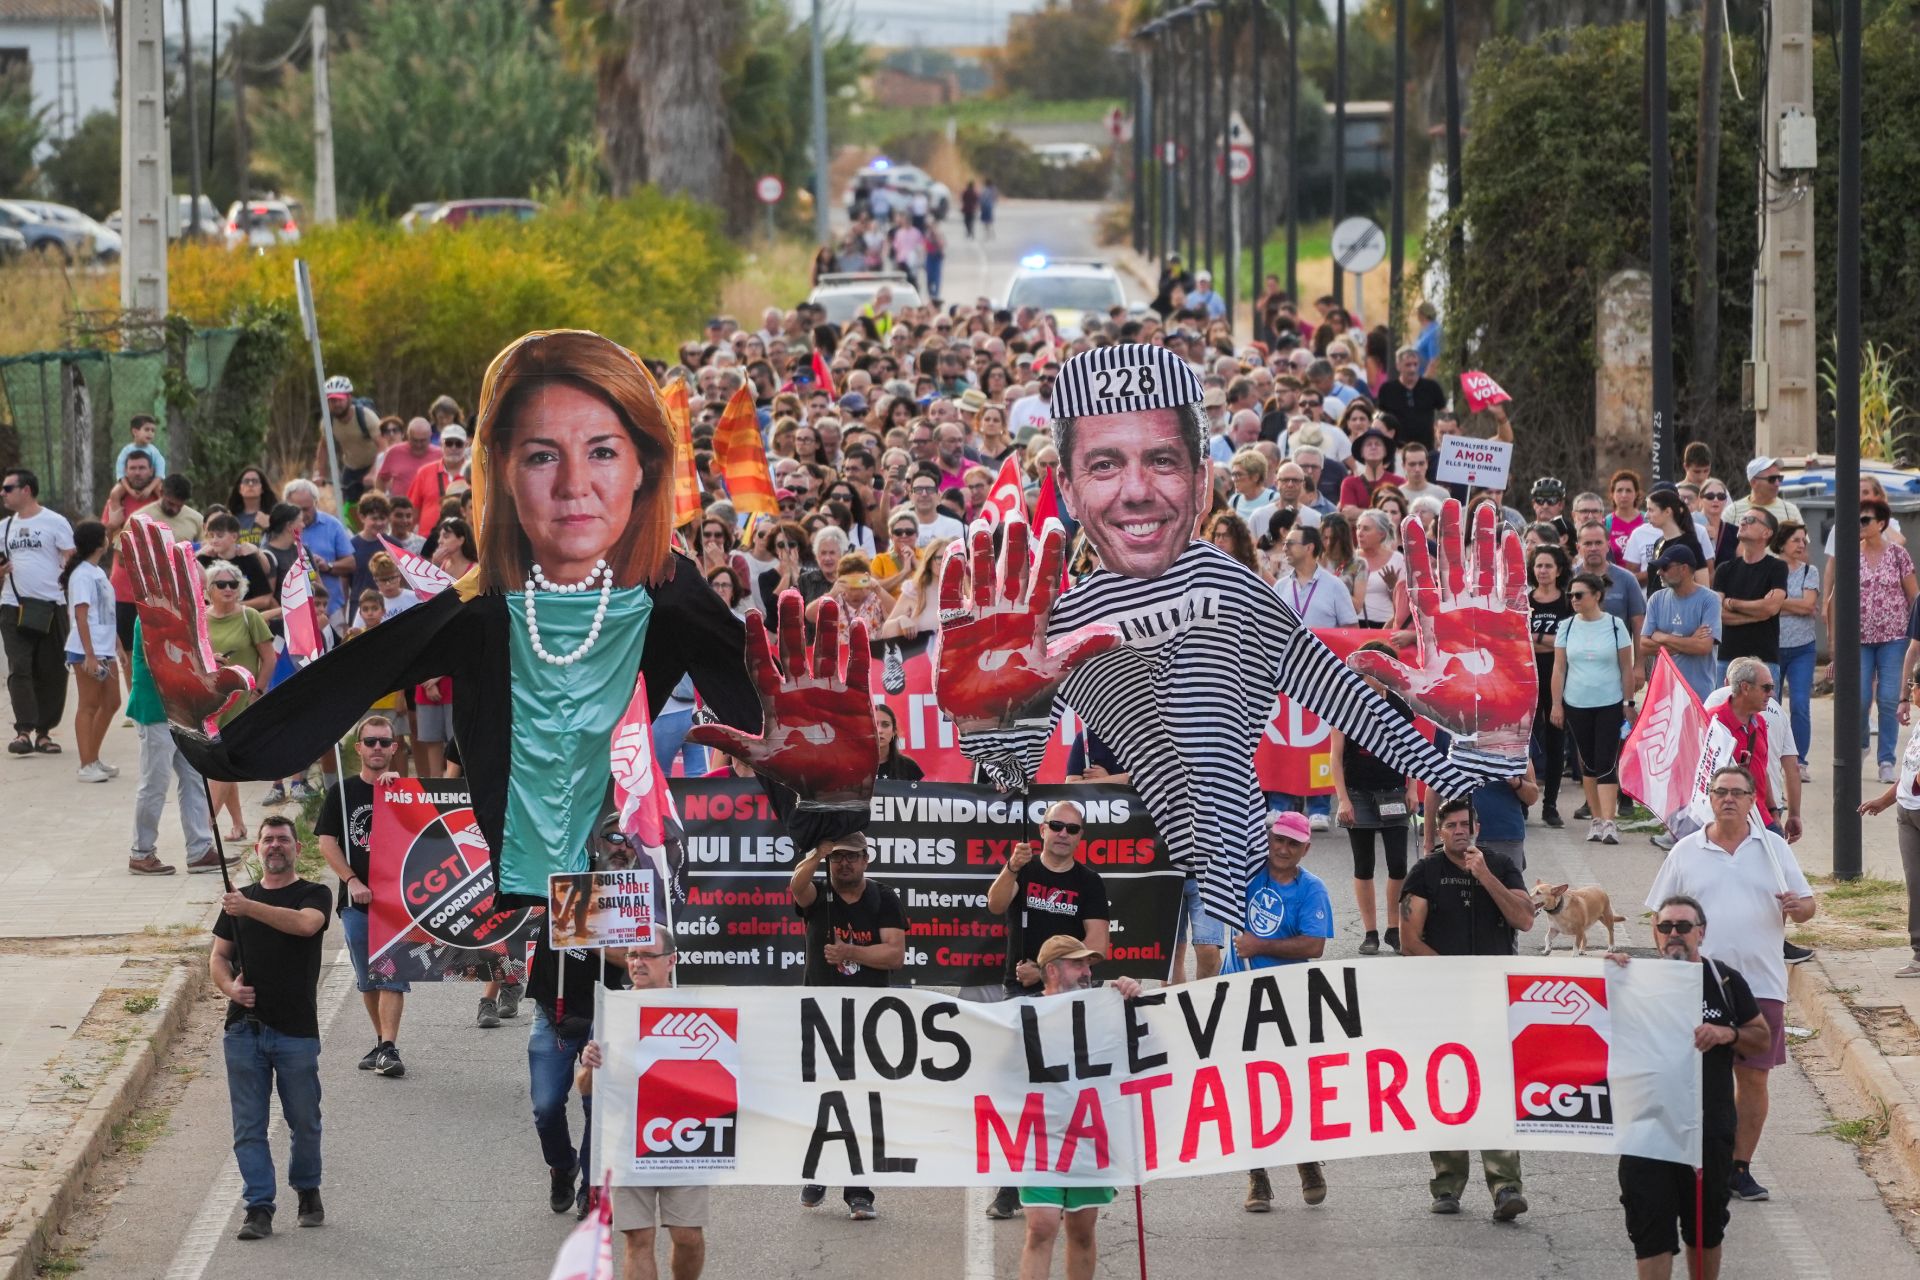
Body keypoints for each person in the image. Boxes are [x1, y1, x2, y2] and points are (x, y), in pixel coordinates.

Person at [947, 344, 1492, 948]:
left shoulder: (1230, 587)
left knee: (1214, 960)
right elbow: (1010, 780)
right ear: (1069, 492)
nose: (1136, 491)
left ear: (1203, 481)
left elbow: (1347, 703)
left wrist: (1481, 746)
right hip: (1142, 865)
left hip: (1236, 875)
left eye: (1162, 461)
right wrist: (989, 735)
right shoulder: (1067, 620)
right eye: (1103, 465)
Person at [1646, 764, 1816, 1204]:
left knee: (1753, 1078)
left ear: (1752, 799)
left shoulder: (1774, 849)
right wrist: (1671, 966)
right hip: (1697, 985)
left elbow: (1808, 907)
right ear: (1709, 795)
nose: (1728, 800)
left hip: (1760, 982)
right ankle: (1692, 1160)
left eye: (1737, 793)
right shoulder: (1686, 850)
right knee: (1690, 1078)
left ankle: (1738, 1168)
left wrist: (1799, 907)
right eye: (1721, 792)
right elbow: (1660, 917)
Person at [1607, 896, 1771, 1280]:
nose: (1674, 935)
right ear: (1656, 933)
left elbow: (1761, 1039)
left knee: (1705, 1230)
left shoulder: (1723, 979)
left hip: (1706, 1131)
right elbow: (1586, 1017)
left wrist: (1726, 1033)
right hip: (1646, 1131)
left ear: (1702, 932)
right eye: (1666, 927)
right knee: (1651, 1235)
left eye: (1683, 927)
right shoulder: (1634, 978)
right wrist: (1605, 976)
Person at [1400, 797, 1535, 1219]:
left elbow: (1525, 919)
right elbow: (1409, 941)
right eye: (1451, 825)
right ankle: (1447, 1186)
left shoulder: (1499, 864)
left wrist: (1485, 875)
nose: (1460, 830)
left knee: (1495, 1089)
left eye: (1466, 823)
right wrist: (1453, 978)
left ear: (1477, 825)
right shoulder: (1425, 873)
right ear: (1439, 833)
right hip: (1442, 999)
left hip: (1495, 997)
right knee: (1447, 1090)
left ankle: (1506, 1187)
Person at [212, 815, 333, 1241]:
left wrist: (249, 908)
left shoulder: (313, 893)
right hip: (244, 1030)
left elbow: (305, 925)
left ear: (297, 849)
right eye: (268, 840)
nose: (276, 846)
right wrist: (230, 988)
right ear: (257, 850)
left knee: (304, 1119)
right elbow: (219, 957)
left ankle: (307, 1188)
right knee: (249, 1125)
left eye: (283, 839)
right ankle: (258, 1208)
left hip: (295, 1029)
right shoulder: (237, 900)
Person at [576, 927, 707, 1280]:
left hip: (685, 1138)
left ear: (671, 961)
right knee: (638, 1237)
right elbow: (584, 1088)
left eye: (647, 955)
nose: (637, 963)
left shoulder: (695, 1010)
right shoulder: (612, 1010)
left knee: (688, 1236)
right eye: (633, 955)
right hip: (628, 1139)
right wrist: (588, 1066)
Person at [789, 831, 905, 1219]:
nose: (844, 863)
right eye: (837, 857)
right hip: (821, 1011)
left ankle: (859, 1190)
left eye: (852, 857)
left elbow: (894, 954)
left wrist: (850, 952)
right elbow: (796, 885)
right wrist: (815, 852)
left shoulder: (884, 898)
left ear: (866, 860)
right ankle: (818, 1172)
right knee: (821, 1097)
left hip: (869, 1014)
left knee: (862, 1101)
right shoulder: (818, 896)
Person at [1015, 935, 1143, 1280]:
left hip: (1090, 1135)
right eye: (1078, 964)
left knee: (1082, 1230)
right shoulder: (1021, 1014)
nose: (1087, 972)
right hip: (1039, 1135)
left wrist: (1132, 991)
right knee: (1041, 1227)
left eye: (1089, 964)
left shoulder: (1106, 1005)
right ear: (1053, 970)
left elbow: (1143, 1045)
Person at [1228, 810, 1334, 1214]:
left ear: (1306, 847)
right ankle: (1257, 1176)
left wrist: (1260, 946)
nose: (1283, 849)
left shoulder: (1313, 889)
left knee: (1292, 1085)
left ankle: (1306, 1160)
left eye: (1293, 843)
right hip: (1239, 992)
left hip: (1288, 998)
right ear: (1268, 840)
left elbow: (1313, 946)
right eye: (1278, 840)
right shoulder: (1245, 876)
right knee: (1247, 1086)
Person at [314, 714, 409, 1076]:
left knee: (393, 972)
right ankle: (382, 1042)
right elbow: (326, 843)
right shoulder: (342, 791)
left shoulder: (404, 791)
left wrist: (401, 794)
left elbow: (430, 838)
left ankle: (388, 1046)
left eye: (385, 742)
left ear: (394, 748)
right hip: (356, 900)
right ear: (358, 748)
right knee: (368, 978)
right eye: (371, 742)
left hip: (397, 901)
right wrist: (352, 880)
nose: (378, 748)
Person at [1829, 497, 1917, 782]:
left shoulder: (1898, 555)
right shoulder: (1849, 554)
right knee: (1859, 698)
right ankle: (1863, 743)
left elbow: (1913, 595)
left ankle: (1887, 760)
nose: (1859, 525)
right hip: (1858, 638)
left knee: (1890, 698)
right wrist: (1835, 642)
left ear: (1881, 524)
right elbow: (1836, 599)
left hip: (1894, 636)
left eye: (1865, 520)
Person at [126, 618, 215, 875]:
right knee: (154, 783)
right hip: (155, 709)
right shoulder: (150, 614)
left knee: (194, 777)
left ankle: (200, 851)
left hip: (182, 708)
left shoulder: (179, 611)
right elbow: (160, 660)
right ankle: (141, 853)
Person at [1554, 572, 1636, 844]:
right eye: (1570, 595)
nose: (1574, 600)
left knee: (1606, 759)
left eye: (1579, 594)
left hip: (1609, 702)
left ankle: (1610, 821)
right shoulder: (1566, 626)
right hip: (1576, 702)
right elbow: (1559, 667)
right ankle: (1596, 819)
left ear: (1596, 596)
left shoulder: (1615, 625)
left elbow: (1626, 667)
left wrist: (1628, 702)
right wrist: (1556, 704)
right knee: (1586, 761)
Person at [2, 467, 76, 756]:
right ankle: (23, 731)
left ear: (26, 490)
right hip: (13, 606)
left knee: (53, 670)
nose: (3, 493)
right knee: (19, 669)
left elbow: (72, 559)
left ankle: (45, 733)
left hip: (51, 606)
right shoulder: (4, 527)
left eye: (8, 488)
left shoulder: (55, 522)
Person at [60, 521, 119, 781]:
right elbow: (81, 617)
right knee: (89, 705)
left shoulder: (97, 572)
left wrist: (116, 644)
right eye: (106, 536)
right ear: (99, 543)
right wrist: (90, 655)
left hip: (105, 648)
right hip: (88, 649)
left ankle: (93, 758)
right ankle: (86, 765)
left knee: (112, 702)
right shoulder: (83, 574)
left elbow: (105, 613)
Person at [1528, 544, 1574, 827]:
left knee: (1556, 740)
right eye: (1538, 566)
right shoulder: (1524, 600)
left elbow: (1567, 644)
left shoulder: (1568, 603)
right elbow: (1518, 639)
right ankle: (1523, 802)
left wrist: (1538, 638)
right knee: (1525, 741)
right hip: (1528, 676)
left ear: (1559, 570)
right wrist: (1551, 639)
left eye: (1548, 566)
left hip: (1558, 677)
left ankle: (1551, 804)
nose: (1543, 571)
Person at [1640, 546, 1722, 700]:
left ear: (1684, 568)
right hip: (1663, 694)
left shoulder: (1709, 599)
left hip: (1698, 695)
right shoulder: (1656, 599)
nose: (1659, 572)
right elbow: (1644, 646)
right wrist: (1690, 641)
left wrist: (1662, 637)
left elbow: (1703, 647)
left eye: (1664, 568)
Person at [1773, 522, 1819, 782]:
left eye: (1804, 540)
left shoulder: (1809, 572)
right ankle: (1773, 756)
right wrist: (1792, 604)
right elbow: (1765, 605)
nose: (1801, 545)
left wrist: (1778, 602)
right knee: (1771, 705)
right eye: (1796, 540)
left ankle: (1800, 761)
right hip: (1773, 646)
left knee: (1800, 704)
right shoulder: (1770, 568)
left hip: (1803, 647)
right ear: (1781, 543)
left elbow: (1808, 606)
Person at [312, 374, 383, 504]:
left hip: (373, 466)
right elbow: (323, 447)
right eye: (332, 400)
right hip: (351, 469)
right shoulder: (328, 422)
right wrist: (320, 473)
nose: (337, 404)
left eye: (340, 399)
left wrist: (374, 472)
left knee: (374, 507)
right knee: (347, 511)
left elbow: (384, 446)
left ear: (349, 398)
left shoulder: (366, 417)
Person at [1374, 346, 1446, 453]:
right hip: (1397, 449)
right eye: (1408, 365)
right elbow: (1379, 418)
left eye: (1415, 364)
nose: (1412, 369)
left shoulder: (1431, 387)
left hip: (1427, 448)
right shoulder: (1387, 390)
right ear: (1398, 366)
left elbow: (1444, 413)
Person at [1729, 457, 1803, 527]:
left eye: (1779, 478)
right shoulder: (1733, 512)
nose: (1777, 484)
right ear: (1753, 482)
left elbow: (1802, 540)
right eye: (1772, 479)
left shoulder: (1790, 511)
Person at [872, 703, 922, 780]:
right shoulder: (853, 768)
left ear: (894, 731)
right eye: (874, 724)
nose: (880, 730)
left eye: (885, 725)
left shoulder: (909, 767)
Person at [115, 412, 169, 479]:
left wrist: (148, 489)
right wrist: (130, 489)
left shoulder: (154, 452)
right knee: (116, 490)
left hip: (150, 482)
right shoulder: (126, 451)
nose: (150, 433)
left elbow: (160, 474)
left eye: (153, 431)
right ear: (135, 432)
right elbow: (121, 474)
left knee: (160, 488)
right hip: (131, 481)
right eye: (147, 429)